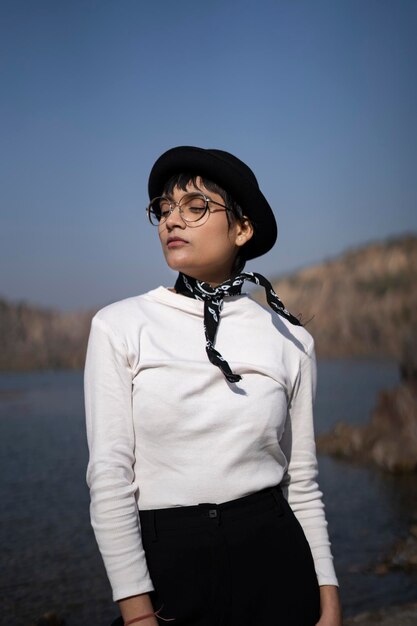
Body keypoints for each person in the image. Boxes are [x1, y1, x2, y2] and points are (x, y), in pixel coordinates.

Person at [84, 146, 342, 626]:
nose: (171, 221)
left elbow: (301, 484)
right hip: (171, 570)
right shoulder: (119, 326)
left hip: (277, 564)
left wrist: (328, 601)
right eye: (163, 208)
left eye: (195, 206)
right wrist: (137, 612)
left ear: (242, 228)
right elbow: (110, 478)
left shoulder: (292, 341)